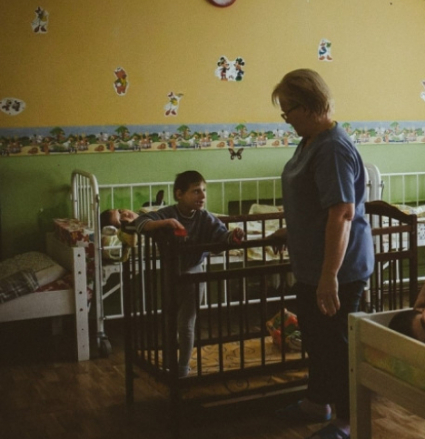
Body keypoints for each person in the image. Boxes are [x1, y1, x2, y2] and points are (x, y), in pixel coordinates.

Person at [268, 68, 374, 439]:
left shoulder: (332, 148)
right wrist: (293, 229)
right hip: (313, 264)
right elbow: (314, 201)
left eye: (289, 110)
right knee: (316, 338)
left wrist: (329, 275)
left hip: (339, 269)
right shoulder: (311, 141)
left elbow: (342, 212)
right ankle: (317, 402)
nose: (286, 119)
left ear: (311, 105)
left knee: (336, 344)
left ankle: (348, 419)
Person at [133, 171, 244, 378]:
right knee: (169, 319)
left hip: (194, 274)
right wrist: (165, 223)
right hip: (170, 273)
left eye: (203, 191)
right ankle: (168, 362)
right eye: (195, 191)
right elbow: (140, 222)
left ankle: (183, 367)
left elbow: (222, 238)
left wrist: (234, 236)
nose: (202, 195)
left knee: (186, 323)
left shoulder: (205, 218)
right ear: (179, 194)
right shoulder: (168, 213)